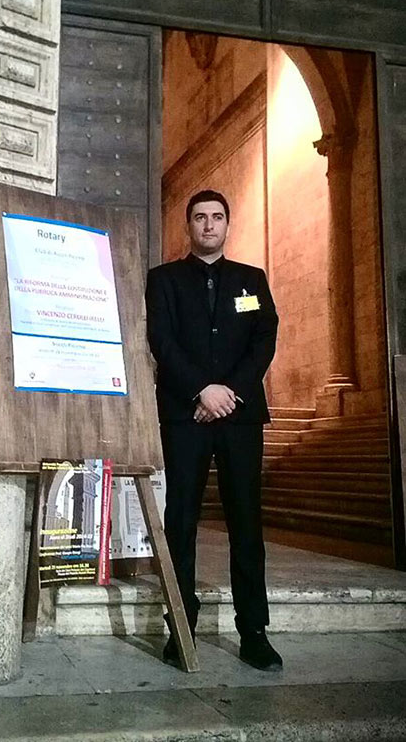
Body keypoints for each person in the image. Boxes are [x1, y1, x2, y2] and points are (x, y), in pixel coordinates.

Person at [145, 189, 282, 671]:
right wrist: (202, 391)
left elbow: (264, 339)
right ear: (188, 225)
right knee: (181, 521)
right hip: (186, 416)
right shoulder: (163, 280)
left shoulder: (251, 279)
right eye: (200, 217)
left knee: (246, 521)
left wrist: (230, 392)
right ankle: (181, 628)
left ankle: (254, 632)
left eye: (217, 217)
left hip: (240, 418)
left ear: (227, 224)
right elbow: (161, 340)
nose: (208, 225)